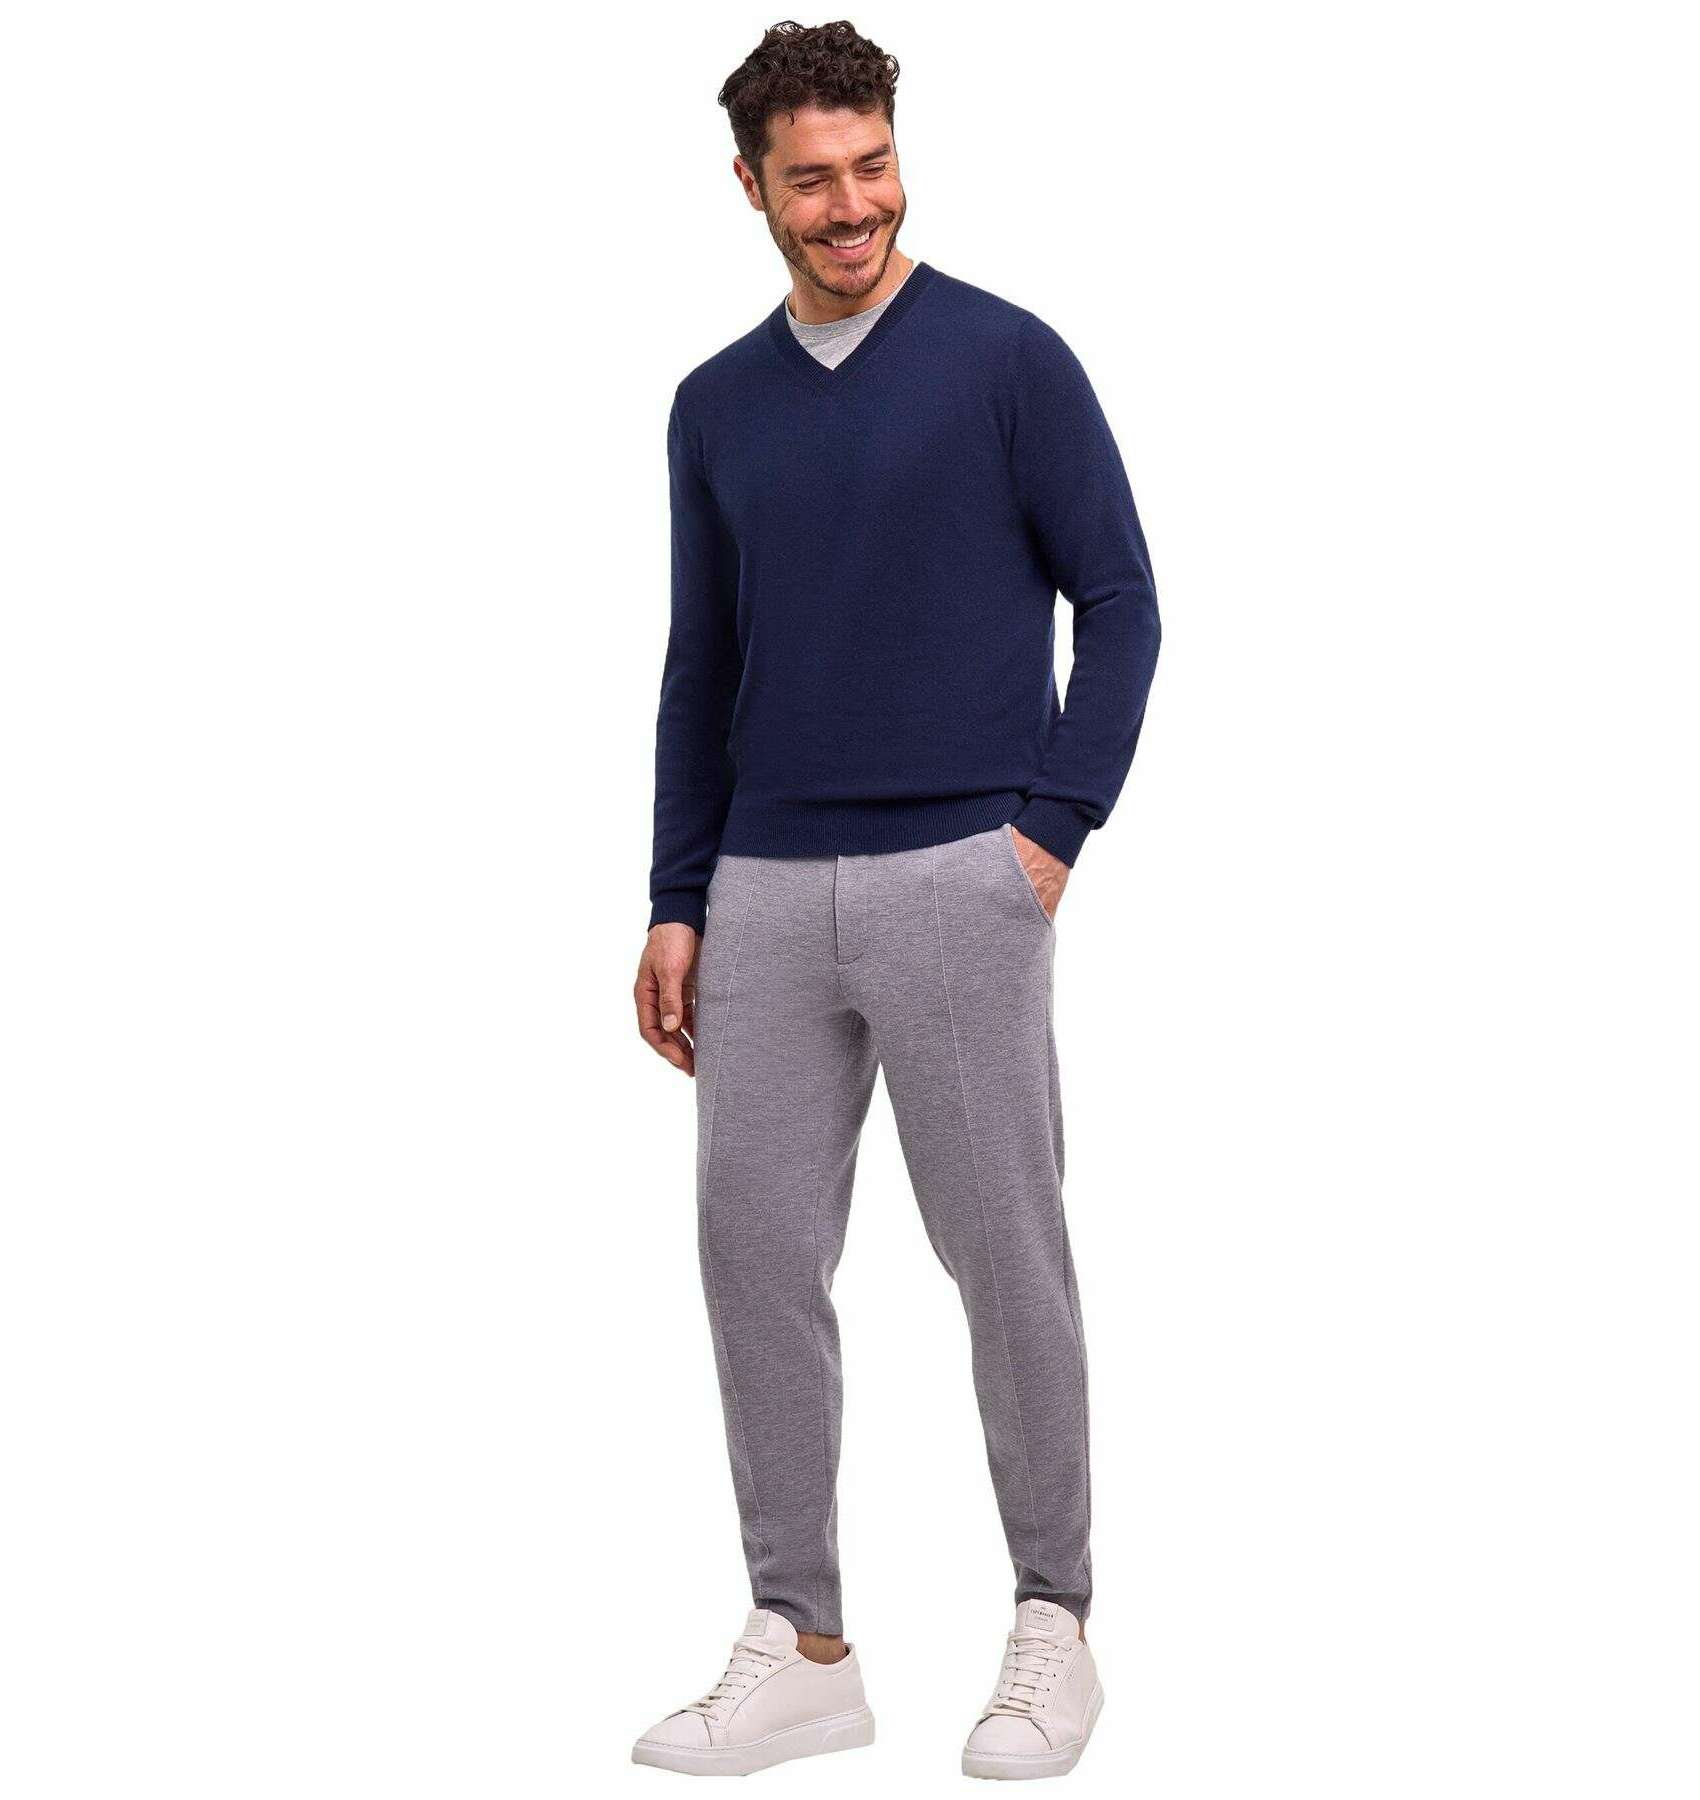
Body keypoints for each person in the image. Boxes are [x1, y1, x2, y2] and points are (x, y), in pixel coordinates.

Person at [631, 20, 1160, 1780]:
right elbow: (701, 665)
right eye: (813, 180)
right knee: (753, 1259)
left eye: (873, 167)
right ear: (752, 188)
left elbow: (1122, 600)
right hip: (763, 892)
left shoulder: (1008, 359)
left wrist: (1051, 834)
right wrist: (677, 895)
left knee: (1004, 1255)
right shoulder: (715, 405)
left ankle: (1053, 1621)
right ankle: (804, 1644)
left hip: (962, 876)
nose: (852, 205)